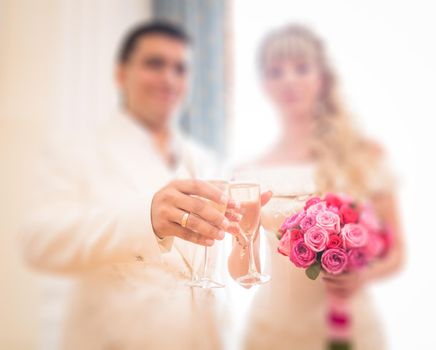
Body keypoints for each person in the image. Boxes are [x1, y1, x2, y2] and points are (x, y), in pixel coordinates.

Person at [21, 21, 239, 350]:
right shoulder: (76, 151)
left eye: (180, 68)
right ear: (121, 74)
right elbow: (40, 242)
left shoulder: (207, 161)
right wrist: (146, 220)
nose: (169, 78)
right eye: (155, 64)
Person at [228, 24, 405, 350]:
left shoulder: (365, 156)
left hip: (351, 331)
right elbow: (241, 272)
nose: (289, 80)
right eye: (275, 71)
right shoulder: (247, 173)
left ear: (321, 78)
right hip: (271, 332)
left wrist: (362, 276)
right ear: (264, 84)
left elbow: (397, 253)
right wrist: (241, 236)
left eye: (301, 68)